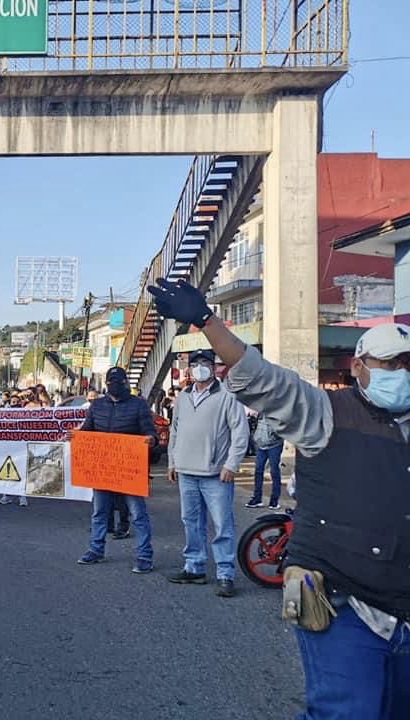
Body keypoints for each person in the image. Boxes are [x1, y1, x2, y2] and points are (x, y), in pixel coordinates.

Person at [150, 278, 410, 717]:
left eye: (408, 363)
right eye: (390, 363)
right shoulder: (325, 413)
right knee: (347, 713)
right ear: (358, 366)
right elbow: (264, 379)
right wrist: (206, 320)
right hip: (343, 602)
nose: (401, 372)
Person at [165, 349, 249, 598]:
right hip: (186, 471)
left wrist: (231, 465)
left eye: (205, 363)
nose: (200, 367)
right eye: (195, 363)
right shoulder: (183, 397)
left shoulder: (228, 396)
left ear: (214, 367)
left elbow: (240, 432)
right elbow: (175, 431)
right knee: (191, 522)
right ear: (189, 369)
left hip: (216, 474)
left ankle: (225, 574)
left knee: (222, 526)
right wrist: (172, 462)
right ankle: (194, 567)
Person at [73, 367, 158, 574]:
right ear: (106, 384)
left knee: (138, 514)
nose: (114, 386)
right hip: (103, 469)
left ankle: (144, 556)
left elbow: (150, 432)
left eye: (118, 382)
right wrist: (76, 437)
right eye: (111, 382)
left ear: (125, 383)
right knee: (99, 512)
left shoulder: (138, 405)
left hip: (129, 470)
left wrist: (151, 440)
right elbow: (87, 431)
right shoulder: (97, 406)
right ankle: (96, 550)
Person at [247, 413, 284, 510]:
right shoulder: (261, 410)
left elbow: (284, 426)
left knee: (274, 471)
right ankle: (257, 499)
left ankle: (274, 500)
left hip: (274, 445)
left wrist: (275, 436)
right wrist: (256, 438)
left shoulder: (279, 410)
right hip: (261, 445)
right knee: (258, 471)